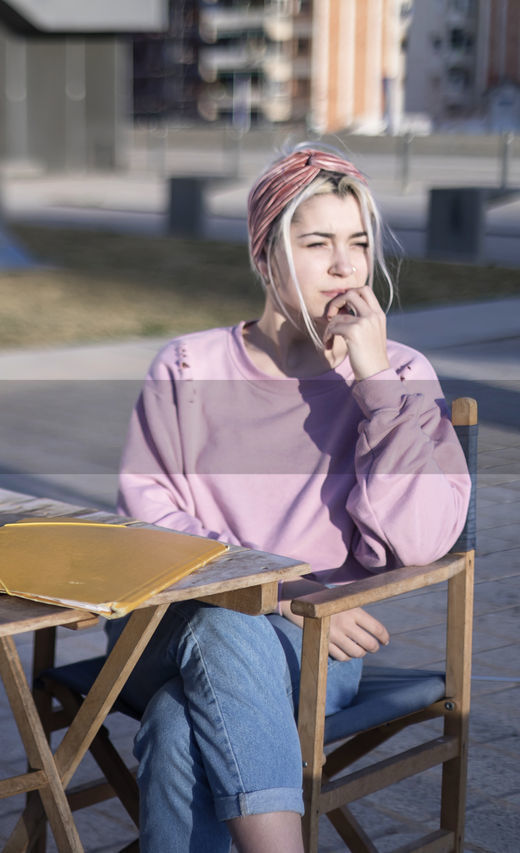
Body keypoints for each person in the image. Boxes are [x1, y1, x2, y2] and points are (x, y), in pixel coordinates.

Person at [110, 146, 471, 852]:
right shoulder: (188, 366)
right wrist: (277, 588)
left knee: (178, 724)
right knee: (226, 623)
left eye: (359, 244)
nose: (346, 267)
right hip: (173, 624)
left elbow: (425, 539)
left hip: (319, 645)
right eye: (318, 244)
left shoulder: (400, 373)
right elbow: (148, 516)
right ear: (266, 258)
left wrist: (374, 384)